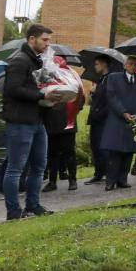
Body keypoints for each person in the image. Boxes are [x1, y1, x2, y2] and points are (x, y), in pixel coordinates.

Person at [0, 24, 56, 220]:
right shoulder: (19, 60)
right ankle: (14, 212)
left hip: (37, 120)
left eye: (49, 40)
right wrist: (41, 94)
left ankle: (33, 205)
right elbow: (13, 90)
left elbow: (38, 84)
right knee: (16, 168)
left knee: (39, 165)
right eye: (45, 40)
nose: (48, 44)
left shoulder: (37, 61)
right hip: (20, 121)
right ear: (32, 39)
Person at [98, 56, 136, 189]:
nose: (133, 67)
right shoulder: (114, 78)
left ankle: (123, 180)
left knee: (129, 151)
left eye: (135, 65)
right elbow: (111, 96)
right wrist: (123, 112)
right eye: (130, 64)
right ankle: (110, 181)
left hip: (133, 121)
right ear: (125, 65)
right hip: (117, 118)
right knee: (115, 152)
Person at [42, 58, 83, 193]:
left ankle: (72, 179)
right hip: (51, 121)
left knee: (69, 152)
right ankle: (52, 181)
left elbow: (80, 97)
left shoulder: (72, 78)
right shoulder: (46, 78)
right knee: (52, 153)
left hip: (67, 120)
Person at [84, 56, 111, 185]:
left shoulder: (110, 79)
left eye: (97, 64)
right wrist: (93, 93)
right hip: (95, 118)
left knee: (102, 147)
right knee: (95, 146)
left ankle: (106, 173)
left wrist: (101, 113)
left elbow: (109, 100)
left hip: (103, 119)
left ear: (104, 64)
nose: (95, 66)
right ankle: (98, 173)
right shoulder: (100, 80)